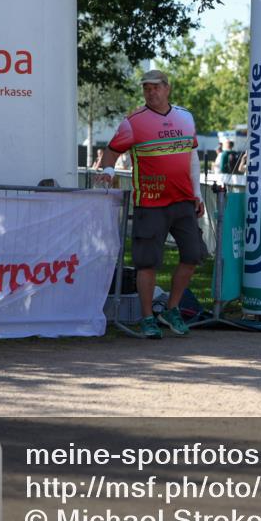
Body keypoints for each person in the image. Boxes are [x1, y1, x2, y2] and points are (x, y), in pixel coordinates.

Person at [94, 69, 206, 340]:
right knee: (147, 263)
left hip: (183, 201)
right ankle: (146, 318)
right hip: (151, 202)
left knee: (194, 255)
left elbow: (192, 157)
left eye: (156, 87)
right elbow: (111, 151)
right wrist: (108, 173)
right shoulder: (133, 121)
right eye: (146, 88)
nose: (151, 92)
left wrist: (198, 193)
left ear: (167, 88)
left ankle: (171, 309)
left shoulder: (186, 117)